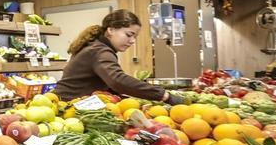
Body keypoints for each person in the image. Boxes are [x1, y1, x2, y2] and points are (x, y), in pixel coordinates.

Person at [54, 9, 183, 103]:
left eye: (135, 37)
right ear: (110, 30)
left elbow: (107, 84)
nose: (132, 41)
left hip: (69, 103)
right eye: (128, 35)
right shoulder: (99, 50)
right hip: (66, 107)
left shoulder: (96, 46)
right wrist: (164, 95)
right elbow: (117, 80)